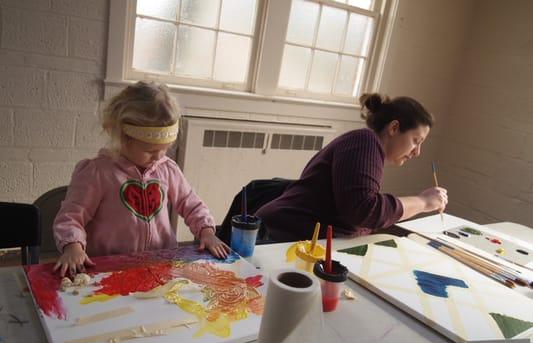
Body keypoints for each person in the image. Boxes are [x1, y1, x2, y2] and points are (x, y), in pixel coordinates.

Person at [53, 81, 229, 277]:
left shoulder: (167, 169)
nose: (159, 156)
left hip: (160, 265)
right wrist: (73, 246)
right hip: (108, 269)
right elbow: (71, 217)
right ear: (123, 138)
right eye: (150, 150)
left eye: (165, 148)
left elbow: (191, 203)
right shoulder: (97, 172)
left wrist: (207, 231)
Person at [256, 93, 448, 242]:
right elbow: (364, 210)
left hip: (298, 237)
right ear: (394, 128)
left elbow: (357, 216)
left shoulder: (369, 148)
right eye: (416, 141)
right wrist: (423, 202)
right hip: (276, 238)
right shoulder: (365, 141)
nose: (418, 152)